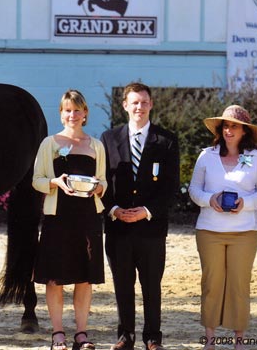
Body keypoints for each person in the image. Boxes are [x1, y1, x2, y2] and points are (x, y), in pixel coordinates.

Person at [100, 82, 180, 350]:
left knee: (151, 286)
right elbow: (102, 183)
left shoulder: (167, 140)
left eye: (144, 102)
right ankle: (125, 336)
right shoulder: (108, 139)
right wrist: (113, 210)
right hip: (117, 226)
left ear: (151, 105)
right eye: (134, 102)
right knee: (122, 285)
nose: (139, 107)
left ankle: (153, 337)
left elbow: (170, 187)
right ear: (124, 105)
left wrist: (146, 211)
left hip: (151, 228)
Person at [188, 105, 257, 350]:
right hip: (209, 231)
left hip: (245, 232)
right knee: (211, 283)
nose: (229, 130)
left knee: (239, 284)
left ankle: (239, 342)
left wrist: (245, 204)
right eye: (225, 125)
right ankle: (210, 339)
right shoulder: (206, 155)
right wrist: (209, 199)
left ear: (245, 130)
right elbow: (194, 190)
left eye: (234, 125)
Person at [32, 89, 107, 350]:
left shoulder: (96, 145)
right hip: (58, 217)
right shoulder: (49, 144)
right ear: (61, 113)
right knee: (55, 278)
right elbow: (37, 180)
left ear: (85, 113)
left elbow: (103, 181)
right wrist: (55, 182)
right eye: (67, 110)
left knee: (84, 278)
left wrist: (98, 187)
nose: (72, 114)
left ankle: (82, 333)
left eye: (77, 110)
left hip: (87, 218)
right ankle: (58, 333)